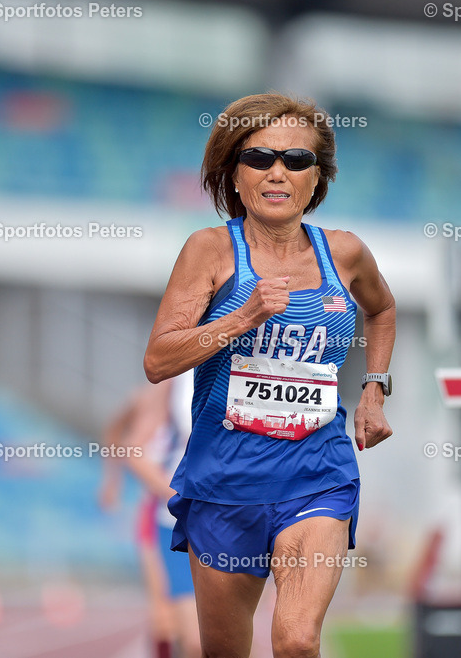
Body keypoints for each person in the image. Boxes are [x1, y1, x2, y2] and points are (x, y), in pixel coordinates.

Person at [144, 92, 396, 658]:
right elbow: (159, 360)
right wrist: (244, 316)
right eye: (258, 158)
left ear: (317, 179)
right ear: (235, 175)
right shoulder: (208, 252)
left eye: (296, 160)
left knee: (297, 641)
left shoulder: (346, 253)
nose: (277, 171)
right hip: (224, 484)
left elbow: (381, 309)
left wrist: (375, 389)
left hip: (317, 475)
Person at [97, 378, 199, 658]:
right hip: (161, 508)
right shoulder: (158, 391)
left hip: (196, 508)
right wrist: (111, 480)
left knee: (198, 626)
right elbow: (117, 434)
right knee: (164, 615)